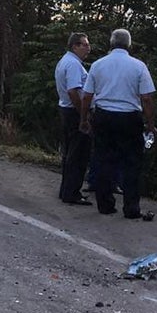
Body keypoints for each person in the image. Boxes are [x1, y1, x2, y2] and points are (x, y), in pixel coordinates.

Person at [79, 28, 156, 219]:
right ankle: (131, 208)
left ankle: (105, 205)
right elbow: (146, 98)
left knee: (103, 159)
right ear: (129, 45)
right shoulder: (139, 66)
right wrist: (150, 124)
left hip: (104, 116)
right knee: (132, 163)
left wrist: (84, 119)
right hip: (130, 117)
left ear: (111, 43)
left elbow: (87, 96)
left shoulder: (98, 65)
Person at [54, 32, 92, 205]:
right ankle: (72, 192)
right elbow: (73, 91)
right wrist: (83, 114)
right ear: (75, 46)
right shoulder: (73, 64)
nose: (88, 48)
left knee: (70, 153)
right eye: (85, 44)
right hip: (73, 112)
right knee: (78, 154)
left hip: (66, 110)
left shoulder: (66, 61)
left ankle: (66, 190)